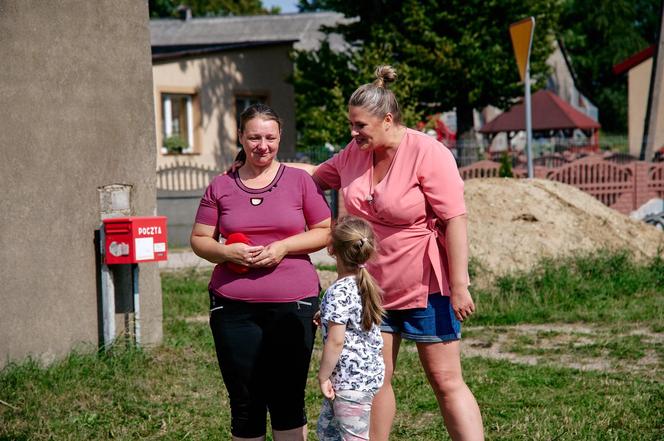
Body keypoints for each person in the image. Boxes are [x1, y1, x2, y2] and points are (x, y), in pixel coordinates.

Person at [297, 66, 484, 440]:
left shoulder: (429, 153)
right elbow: (312, 176)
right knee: (376, 377)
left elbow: (455, 220)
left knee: (445, 380)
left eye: (360, 126)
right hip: (371, 288)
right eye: (351, 125)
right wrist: (261, 170)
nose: (353, 133)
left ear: (387, 119)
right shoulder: (354, 153)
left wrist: (460, 284)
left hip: (425, 285)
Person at [190, 103, 332, 441]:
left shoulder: (299, 181)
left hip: (294, 304)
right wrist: (226, 251)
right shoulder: (221, 185)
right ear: (240, 137)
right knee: (245, 400)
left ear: (280, 137)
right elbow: (198, 239)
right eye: (253, 137)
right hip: (233, 308)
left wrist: (283, 246)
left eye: (270, 137)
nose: (262, 145)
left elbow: (326, 229)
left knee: (287, 399)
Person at [316, 216, 385, 441]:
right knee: (328, 434)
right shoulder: (363, 285)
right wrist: (325, 316)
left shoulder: (338, 292)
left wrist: (323, 376)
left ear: (331, 249)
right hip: (364, 377)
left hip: (348, 383)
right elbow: (353, 319)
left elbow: (336, 341)